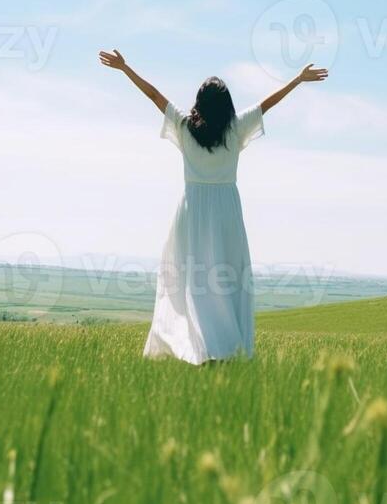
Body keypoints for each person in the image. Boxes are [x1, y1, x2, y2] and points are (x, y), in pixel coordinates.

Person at [98, 49, 328, 365]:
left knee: (192, 282)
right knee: (228, 280)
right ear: (226, 104)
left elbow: (154, 96)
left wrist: (125, 68)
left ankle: (197, 346)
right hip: (226, 211)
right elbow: (268, 104)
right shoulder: (235, 128)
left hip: (192, 209)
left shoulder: (184, 125)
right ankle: (225, 348)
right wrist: (298, 80)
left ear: (199, 102)